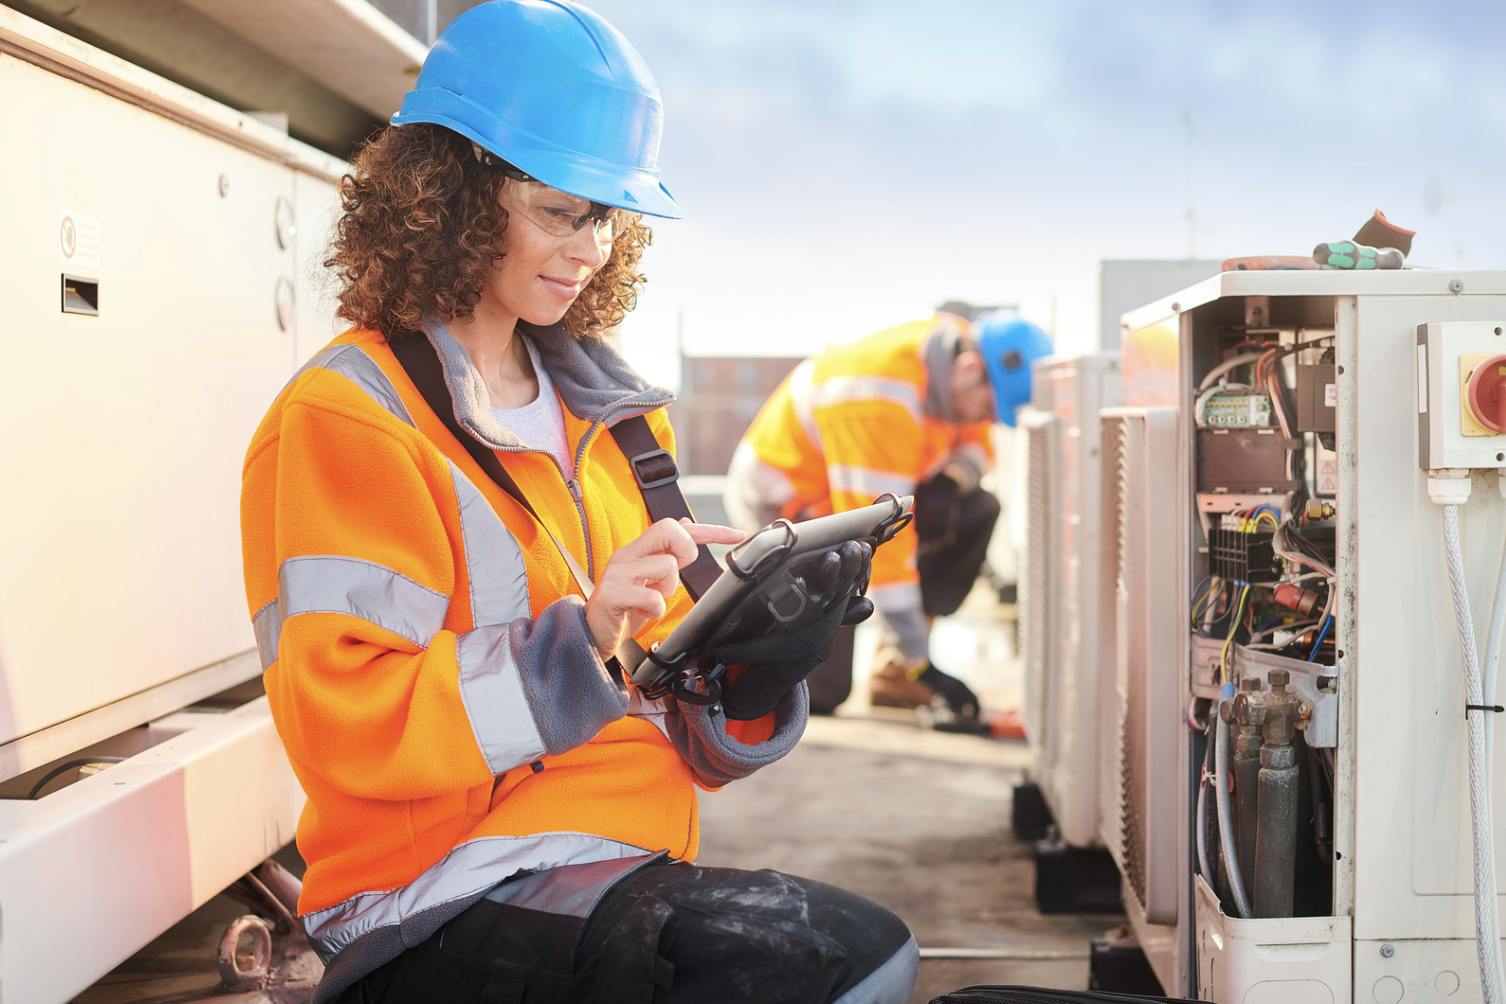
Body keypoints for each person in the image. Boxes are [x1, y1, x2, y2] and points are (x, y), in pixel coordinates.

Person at [239, 2, 917, 1001]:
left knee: (863, 952)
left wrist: (756, 660)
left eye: (605, 214)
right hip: (432, 895)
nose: (593, 246)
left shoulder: (619, 423)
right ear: (454, 197)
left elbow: (680, 721)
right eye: (560, 210)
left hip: (610, 855)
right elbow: (351, 726)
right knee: (835, 964)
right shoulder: (348, 419)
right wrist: (586, 633)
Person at [724, 310, 1053, 719]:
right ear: (970, 370)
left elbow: (979, 448)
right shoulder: (879, 399)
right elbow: (881, 546)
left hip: (862, 491)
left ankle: (893, 673)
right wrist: (923, 664)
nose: (986, 419)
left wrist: (949, 483)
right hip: (789, 512)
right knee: (819, 694)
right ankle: (899, 662)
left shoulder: (960, 353)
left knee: (977, 509)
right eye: (988, 408)